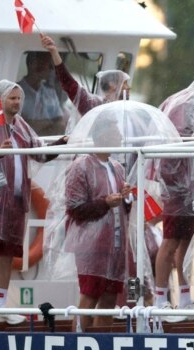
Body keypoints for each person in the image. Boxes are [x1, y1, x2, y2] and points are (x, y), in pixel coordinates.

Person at [0, 80, 66, 325]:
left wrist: (61, 145)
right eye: (12, 98)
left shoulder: (21, 126)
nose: (17, 103)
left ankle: (0, 306)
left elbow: (38, 153)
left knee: (8, 254)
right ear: (0, 99)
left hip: (15, 199)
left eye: (19, 98)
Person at [153, 69, 194, 321]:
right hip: (178, 187)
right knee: (171, 242)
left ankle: (183, 295)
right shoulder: (187, 103)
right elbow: (183, 142)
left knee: (183, 243)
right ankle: (160, 298)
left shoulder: (179, 100)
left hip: (186, 185)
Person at [64, 114, 133, 331]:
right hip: (91, 245)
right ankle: (76, 342)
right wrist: (105, 202)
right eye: (116, 131)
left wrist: (126, 197)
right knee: (90, 295)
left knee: (110, 299)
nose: (120, 136)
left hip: (115, 243)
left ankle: (102, 341)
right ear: (102, 135)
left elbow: (121, 207)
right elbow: (75, 209)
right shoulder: (80, 166)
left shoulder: (117, 167)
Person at [40, 34, 130, 117]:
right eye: (124, 82)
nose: (128, 87)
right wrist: (54, 52)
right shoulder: (94, 107)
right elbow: (68, 84)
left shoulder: (128, 114)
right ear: (112, 85)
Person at [18, 51, 65, 136]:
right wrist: (50, 122)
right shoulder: (15, 92)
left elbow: (61, 125)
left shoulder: (51, 93)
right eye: (50, 66)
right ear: (36, 66)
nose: (52, 70)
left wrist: (36, 125)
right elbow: (21, 127)